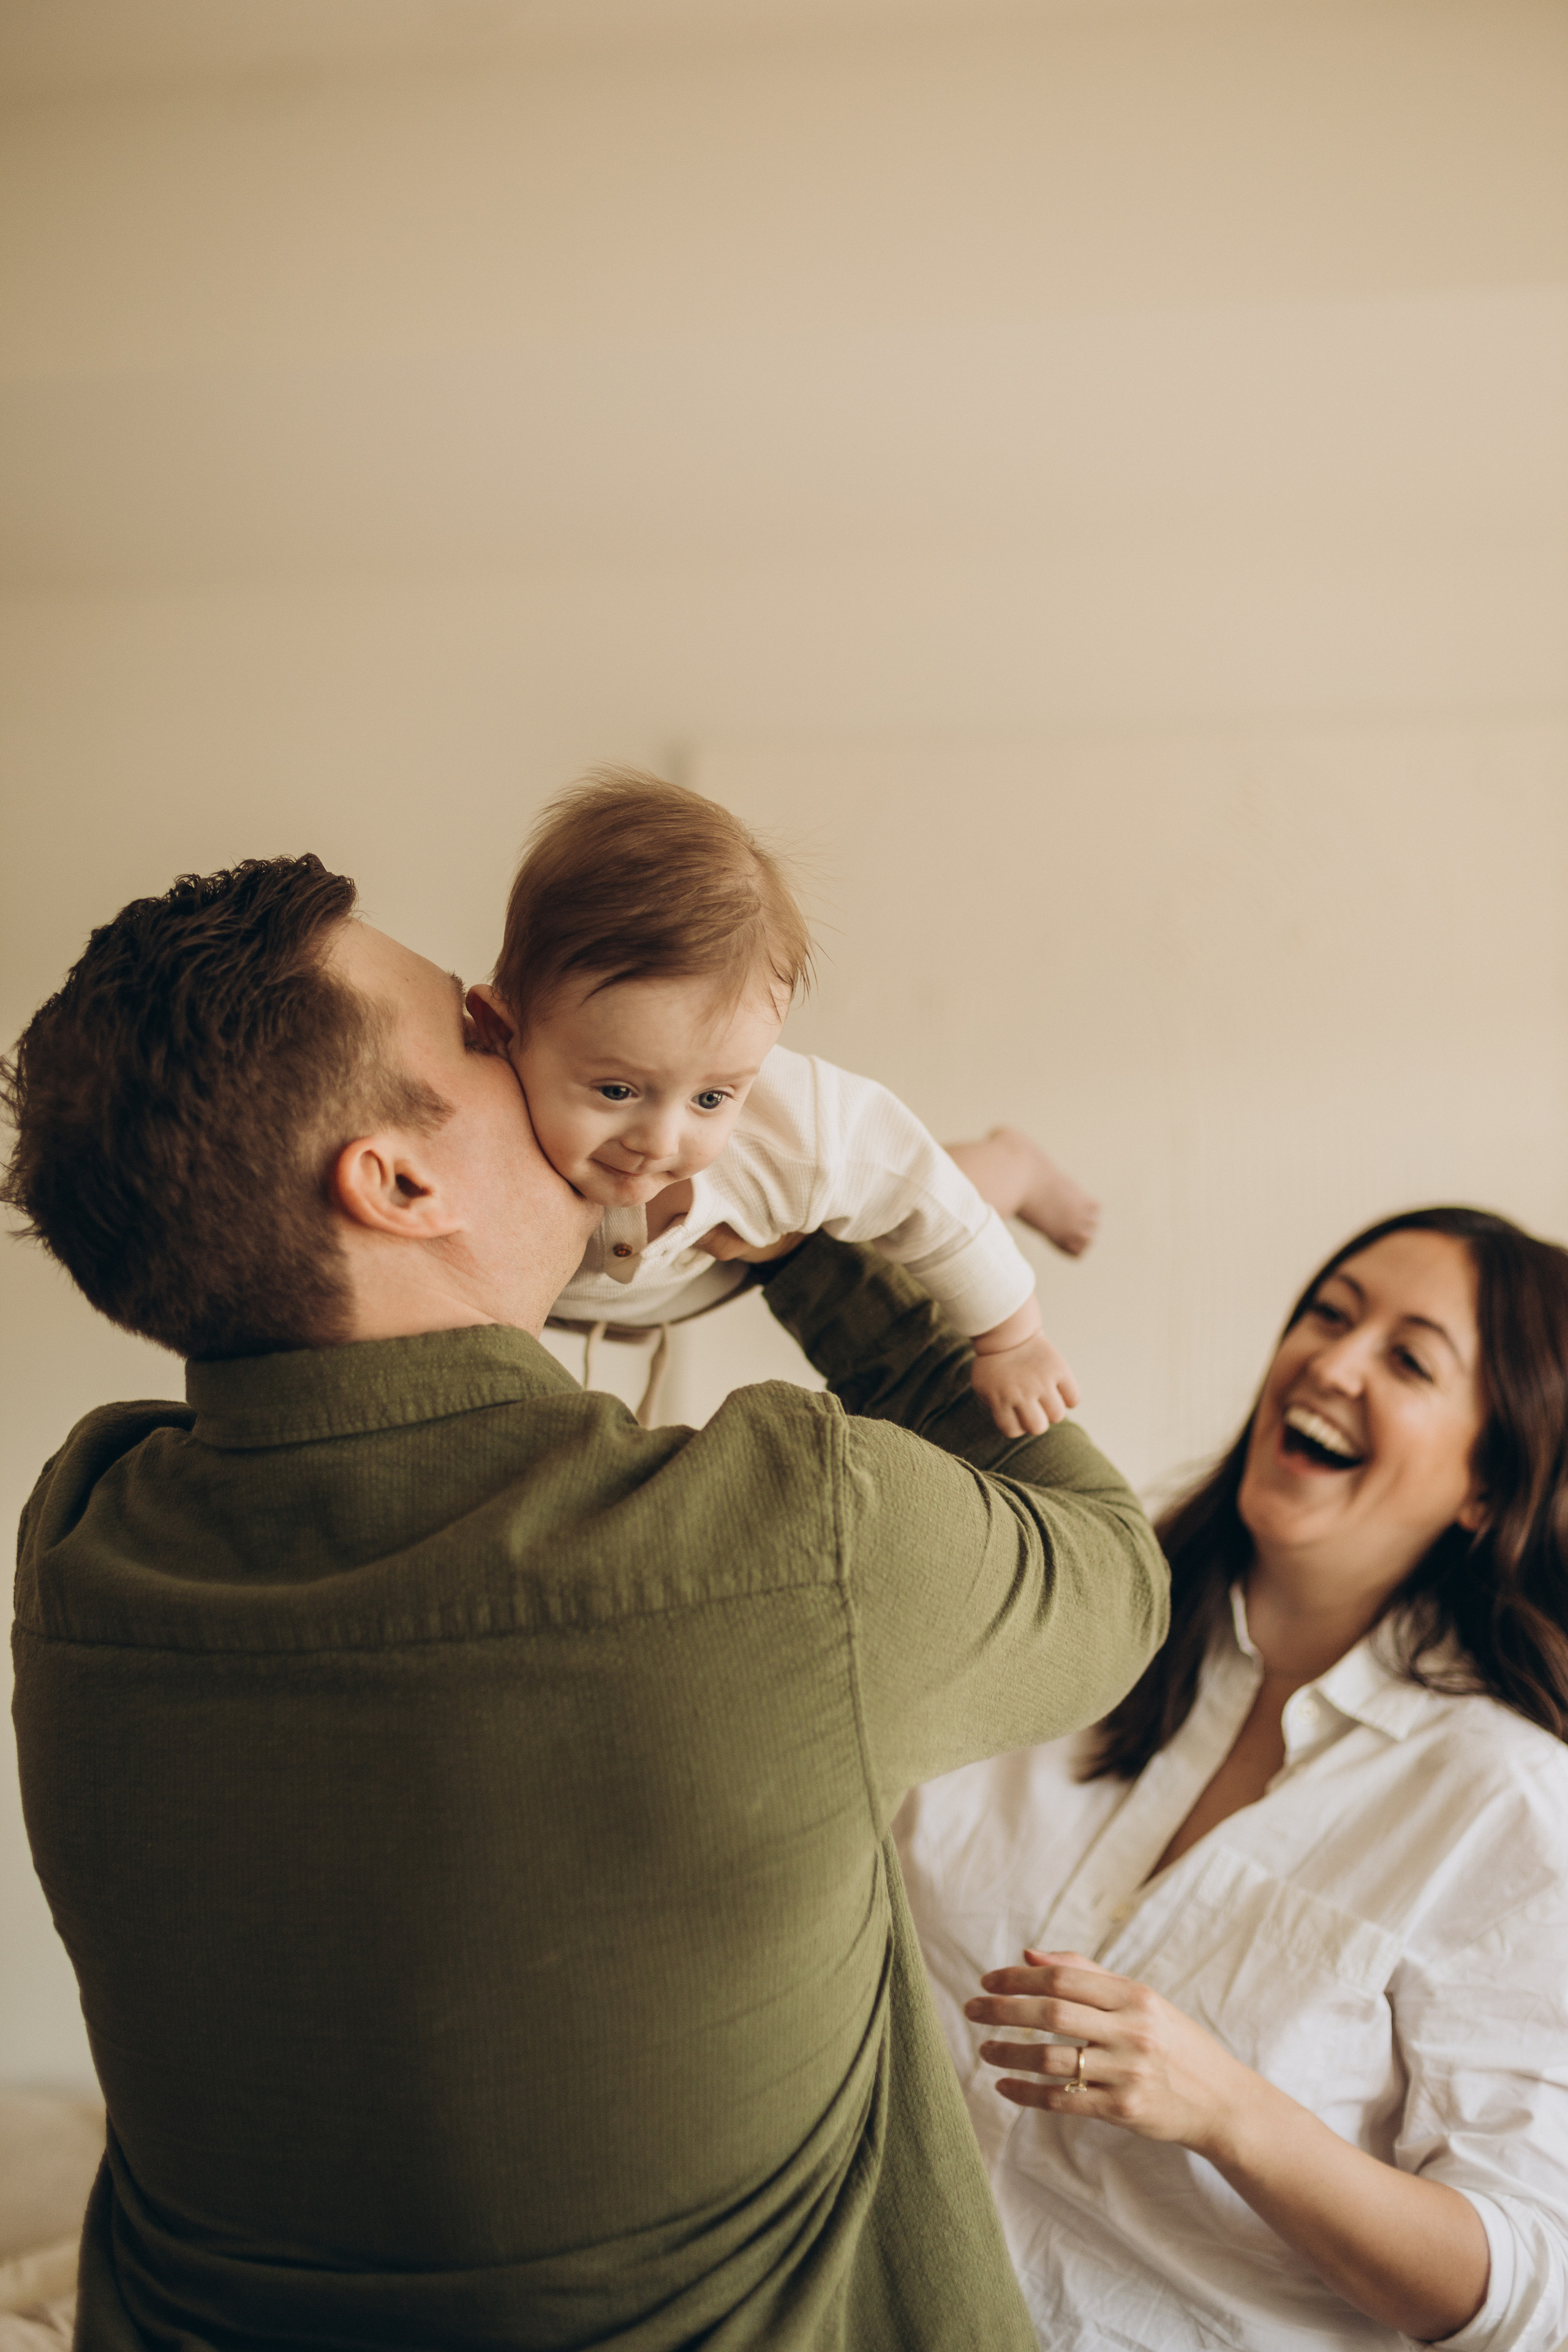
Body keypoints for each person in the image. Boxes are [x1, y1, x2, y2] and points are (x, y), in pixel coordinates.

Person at [2, 854, 1167, 2352]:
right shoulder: (784, 1536)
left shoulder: (81, 1548)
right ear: (397, 1182)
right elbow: (1109, 1567)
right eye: (478, 1031)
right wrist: (814, 1222)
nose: (521, 1038)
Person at [897, 1206, 1568, 2352]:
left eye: (1410, 1360)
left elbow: (1527, 2288)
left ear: (1490, 1486)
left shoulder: (1508, 1803)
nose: (1332, 1364)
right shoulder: (1063, 1618)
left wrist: (1230, 2111)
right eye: (1329, 1315)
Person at [472, 767, 1098, 1437]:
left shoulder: (792, 1130)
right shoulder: (467, 1116)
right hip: (632, 1291)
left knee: (916, 1209)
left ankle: (1013, 1166)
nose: (660, 1140)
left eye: (711, 1097)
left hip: (749, 1246)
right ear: (501, 1034)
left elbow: (920, 1189)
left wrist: (1012, 1341)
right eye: (618, 1091)